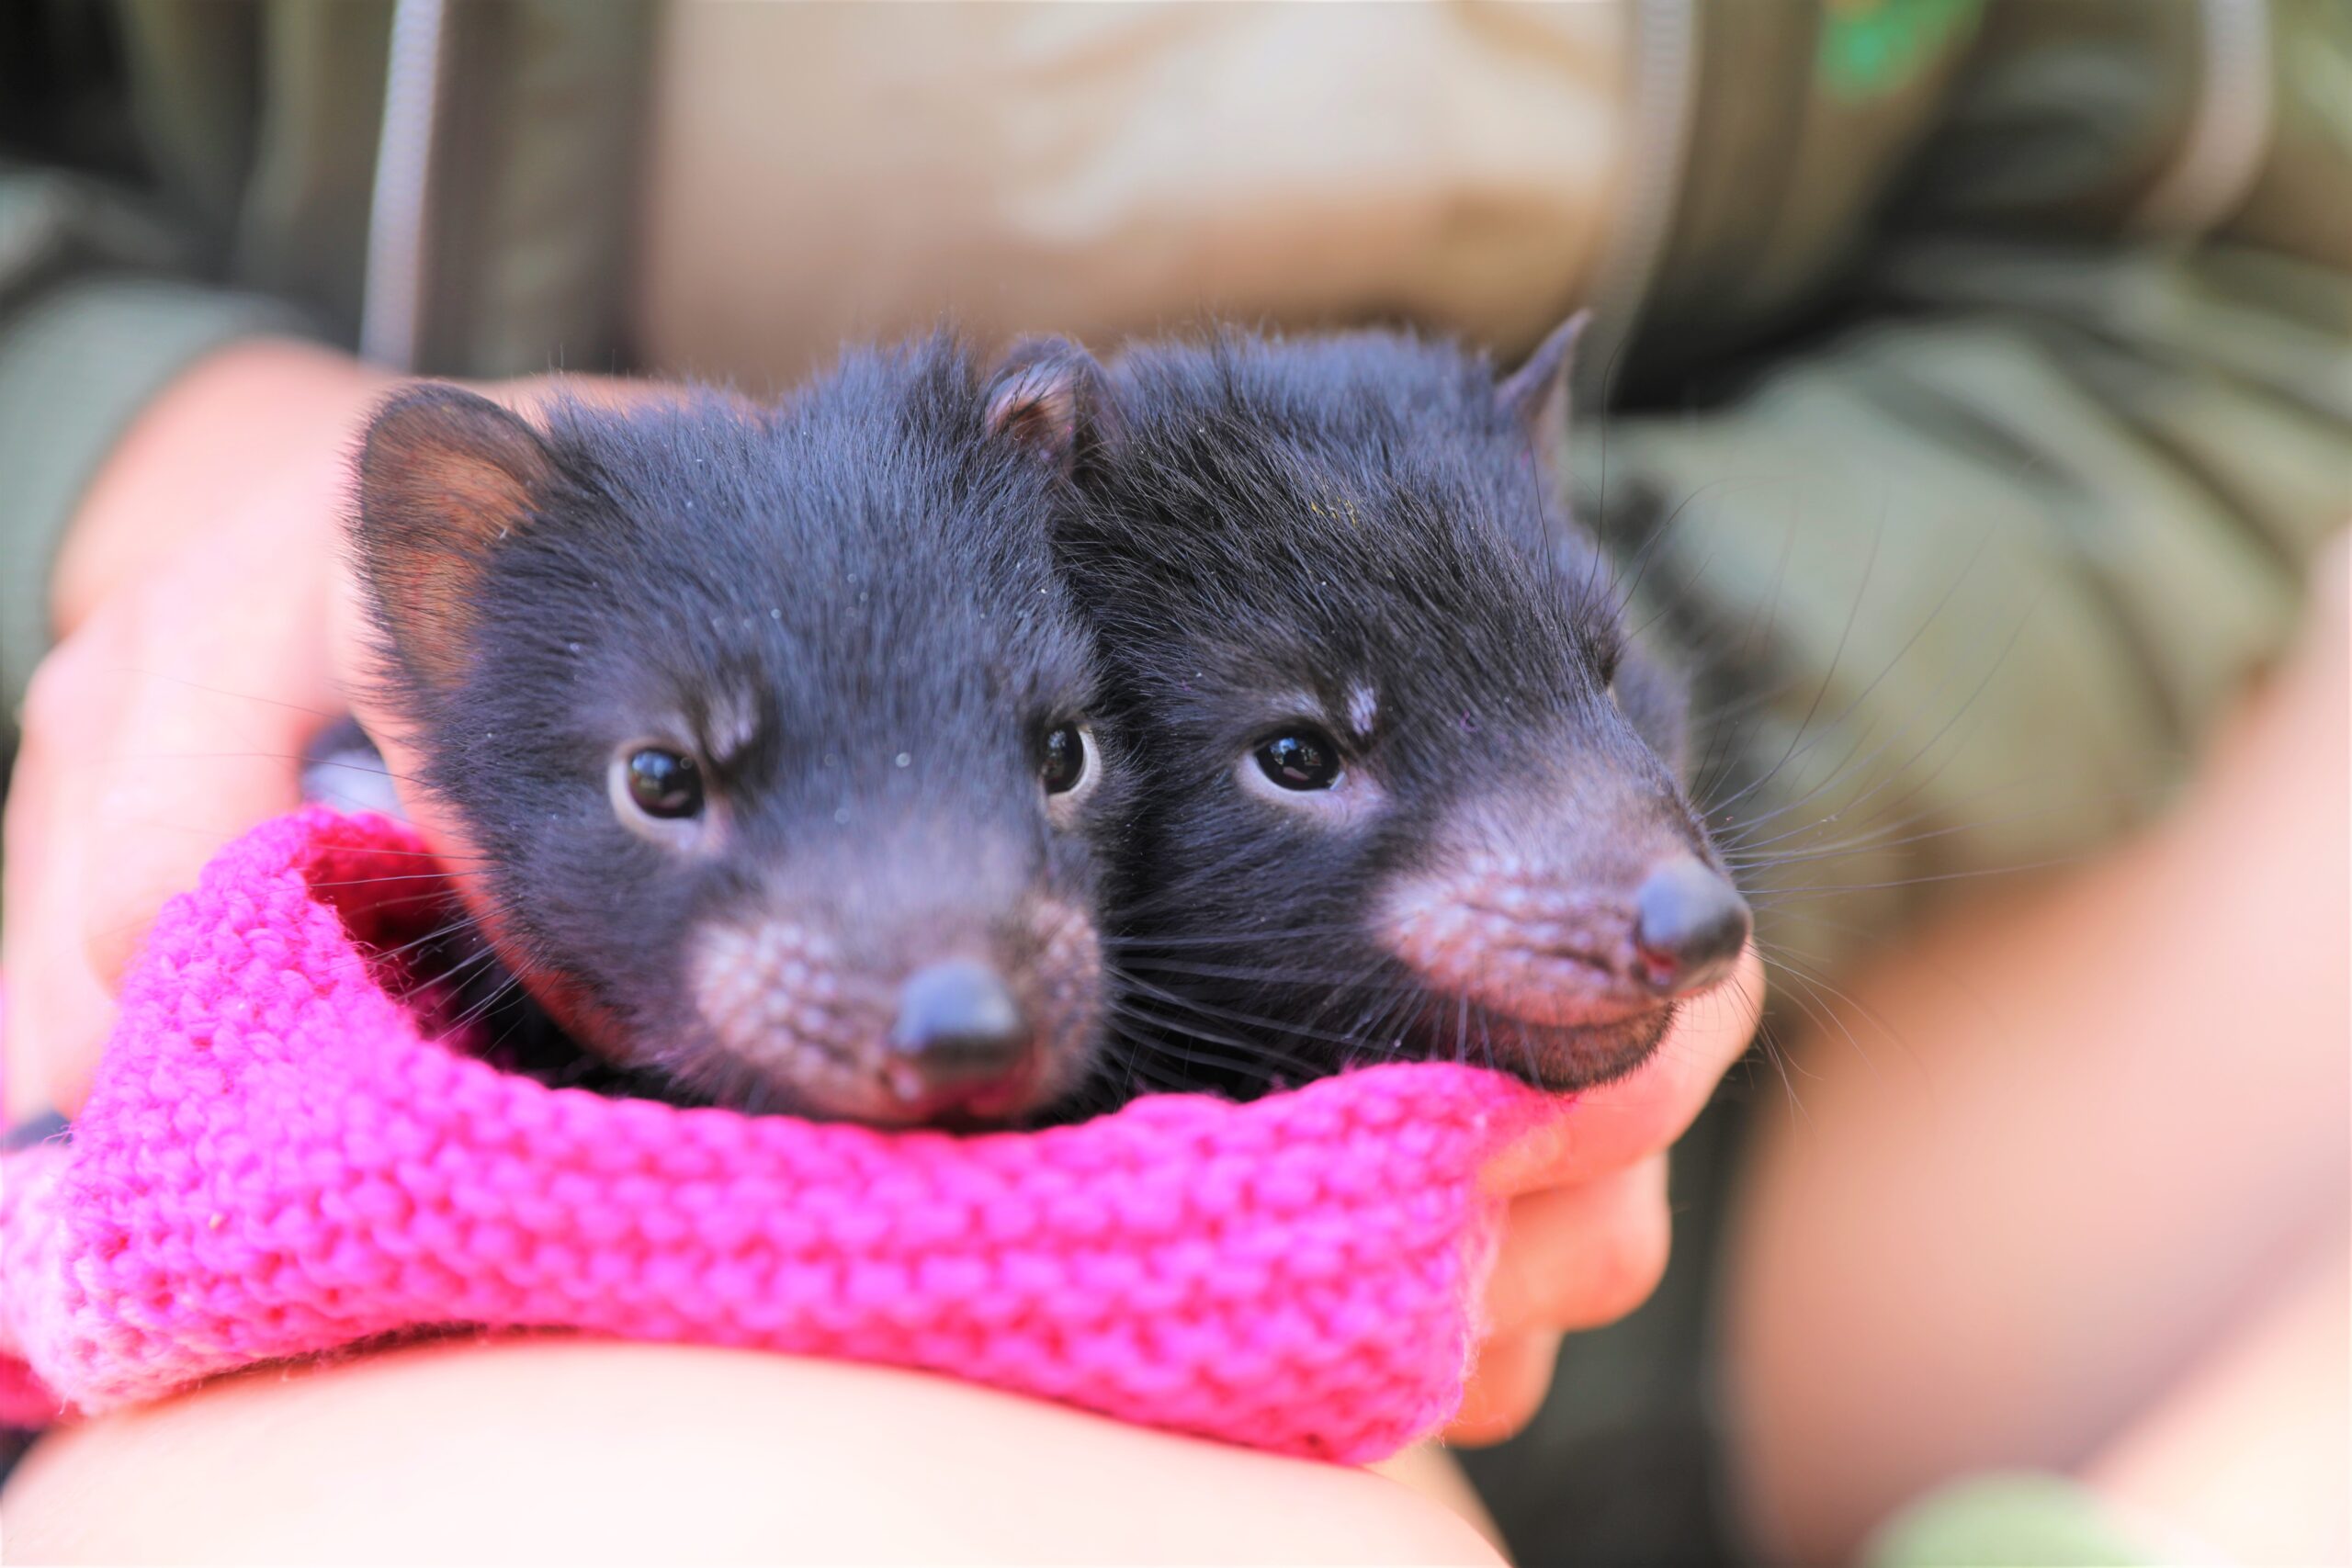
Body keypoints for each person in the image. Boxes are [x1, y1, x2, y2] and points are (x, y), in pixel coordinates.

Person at [1, 4, 2345, 1561]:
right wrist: (162, 453)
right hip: (510, 1123)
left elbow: (2200, 292)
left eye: (1050, 751)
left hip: (1730, 1042)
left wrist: (1617, 671)